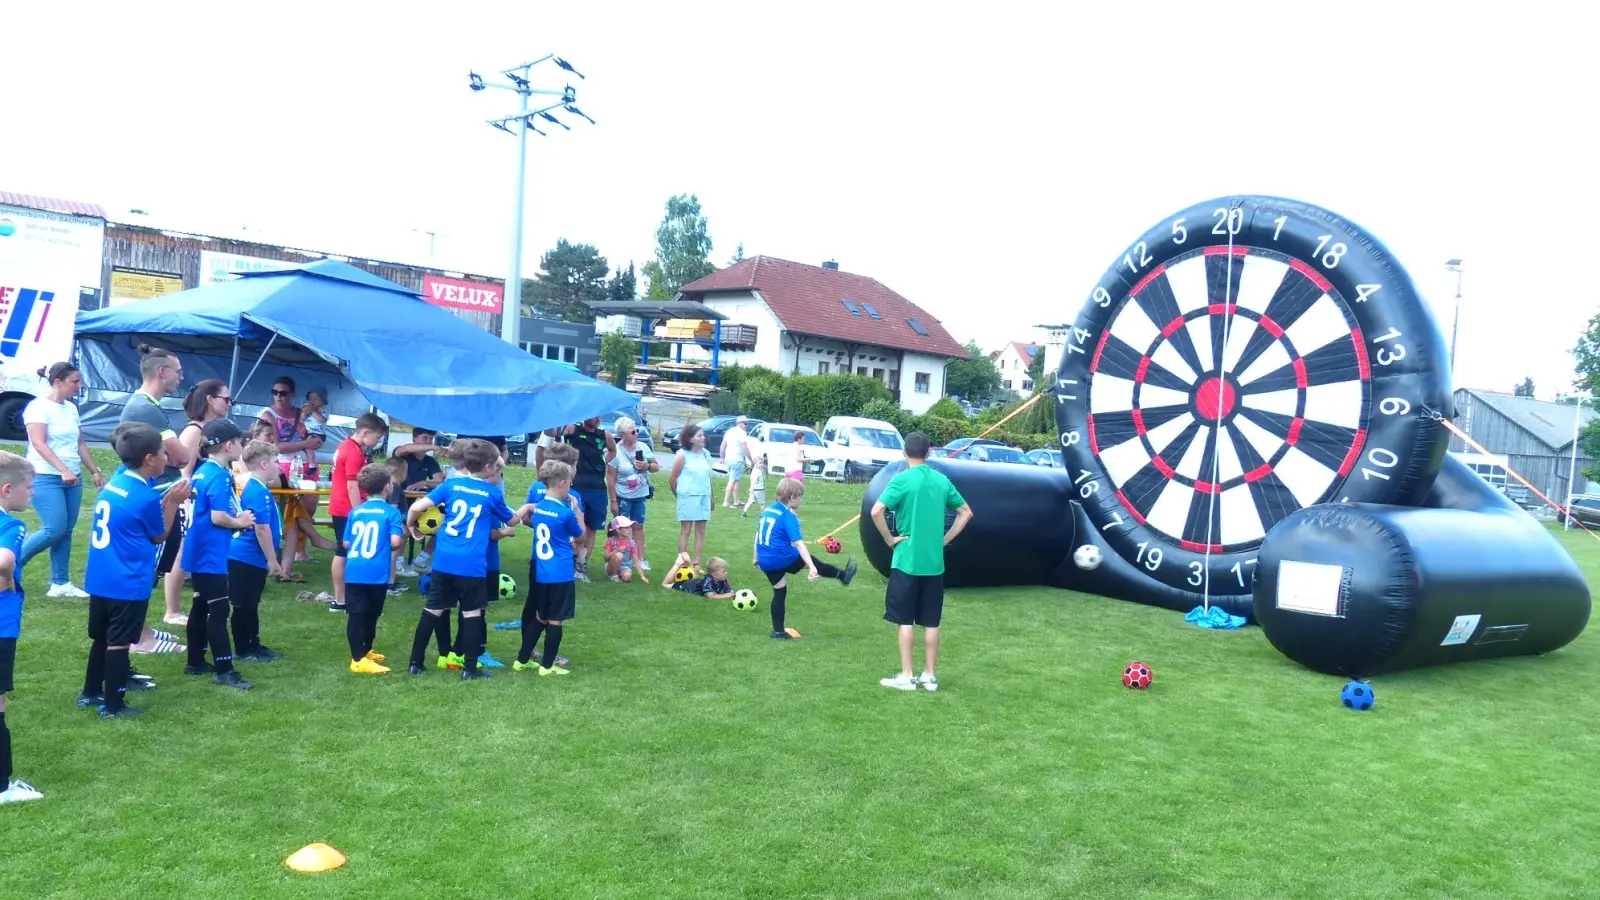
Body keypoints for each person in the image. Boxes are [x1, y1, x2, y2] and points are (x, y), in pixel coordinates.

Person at [81, 423, 191, 718]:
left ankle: (90, 693)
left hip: (101, 576)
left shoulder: (117, 480)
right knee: (119, 643)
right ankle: (114, 706)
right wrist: (173, 502)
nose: (167, 457)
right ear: (149, 459)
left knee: (101, 637)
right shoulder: (144, 498)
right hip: (127, 580)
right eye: (162, 453)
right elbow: (159, 535)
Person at [404, 438, 520, 679]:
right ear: (489, 467)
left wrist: (411, 526)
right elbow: (511, 520)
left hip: (444, 561)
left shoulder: (451, 485)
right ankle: (469, 669)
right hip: (471, 563)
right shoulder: (491, 492)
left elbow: (417, 508)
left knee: (432, 610)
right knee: (472, 614)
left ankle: (415, 663)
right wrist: (526, 510)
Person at [869, 432, 974, 692]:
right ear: (929, 453)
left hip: (906, 561)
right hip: (933, 564)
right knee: (931, 621)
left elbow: (876, 510)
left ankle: (907, 676)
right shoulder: (941, 481)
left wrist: (890, 539)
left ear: (904, 453)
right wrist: (944, 539)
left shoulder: (901, 479)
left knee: (905, 620)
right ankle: (929, 676)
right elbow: (966, 512)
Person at [118, 346, 191, 653]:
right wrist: (172, 458)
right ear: (162, 372)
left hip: (157, 492)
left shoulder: (146, 405)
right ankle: (138, 637)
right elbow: (182, 455)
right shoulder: (146, 408)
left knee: (151, 566)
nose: (181, 376)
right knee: (145, 567)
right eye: (178, 371)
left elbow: (174, 456)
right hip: (156, 495)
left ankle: (141, 629)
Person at [182, 419, 256, 690]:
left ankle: (195, 661)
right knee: (218, 609)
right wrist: (242, 522)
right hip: (211, 551)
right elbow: (218, 516)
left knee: (200, 605)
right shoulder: (221, 475)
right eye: (240, 442)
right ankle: (224, 669)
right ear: (229, 445)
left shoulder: (201, 471)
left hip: (198, 548)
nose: (242, 446)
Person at [21, 362, 104, 598]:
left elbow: (80, 443)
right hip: (45, 475)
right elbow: (39, 443)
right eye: (74, 382)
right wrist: (63, 469)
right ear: (58, 382)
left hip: (73, 476)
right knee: (54, 528)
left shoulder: (70, 409)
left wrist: (94, 470)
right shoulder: (37, 408)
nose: (79, 386)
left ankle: (60, 583)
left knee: (66, 530)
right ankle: (9, 565)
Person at [160, 378, 233, 628]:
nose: (229, 404)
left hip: (203, 499)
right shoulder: (194, 430)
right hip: (190, 499)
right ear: (210, 400)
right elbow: (184, 470)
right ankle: (172, 610)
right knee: (181, 551)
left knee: (193, 551)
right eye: (225, 398)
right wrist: (186, 502)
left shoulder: (217, 429)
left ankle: (193, 602)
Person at [755, 477, 857, 640]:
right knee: (813, 561)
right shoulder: (788, 517)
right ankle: (843, 576)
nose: (802, 499)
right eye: (801, 496)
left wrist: (756, 557)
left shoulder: (767, 510)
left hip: (766, 560)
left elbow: (758, 535)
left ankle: (778, 632)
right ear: (791, 497)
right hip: (782, 557)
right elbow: (800, 545)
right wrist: (811, 567)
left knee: (779, 591)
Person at [515, 459, 584, 676]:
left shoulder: (541, 507)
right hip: (560, 572)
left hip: (542, 572)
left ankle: (522, 659)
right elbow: (581, 535)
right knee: (555, 620)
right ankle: (547, 666)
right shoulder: (565, 512)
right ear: (563, 483)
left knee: (540, 616)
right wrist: (577, 509)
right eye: (570, 483)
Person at [0, 451, 39, 803]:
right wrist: (8, 577)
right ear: (7, 489)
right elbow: (6, 559)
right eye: (29, 488)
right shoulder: (11, 525)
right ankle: (2, 787)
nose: (33, 494)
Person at [343, 464, 405, 675]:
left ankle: (365, 651)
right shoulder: (391, 512)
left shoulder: (356, 511)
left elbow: (346, 544)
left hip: (354, 570)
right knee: (370, 614)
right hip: (376, 571)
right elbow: (396, 541)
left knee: (357, 614)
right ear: (387, 486)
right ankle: (358, 659)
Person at [228, 440, 283, 666]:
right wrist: (273, 560)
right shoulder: (257, 491)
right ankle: (243, 648)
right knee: (243, 604)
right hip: (246, 556)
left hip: (251, 557)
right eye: (275, 462)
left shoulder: (259, 488)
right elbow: (261, 528)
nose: (279, 466)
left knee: (252, 602)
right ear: (263, 464)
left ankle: (254, 643)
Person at [327, 414, 389, 613]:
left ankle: (345, 596)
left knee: (345, 551)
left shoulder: (348, 447)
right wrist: (358, 512)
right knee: (343, 551)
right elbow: (352, 485)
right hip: (346, 507)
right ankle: (340, 598)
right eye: (377, 438)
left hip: (342, 505)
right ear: (365, 432)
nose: (377, 442)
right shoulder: (352, 451)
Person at [606, 416, 657, 573]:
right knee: (622, 529)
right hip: (623, 497)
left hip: (640, 495)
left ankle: (641, 559)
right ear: (622, 435)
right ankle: (619, 560)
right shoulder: (615, 451)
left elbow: (656, 466)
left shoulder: (642, 447)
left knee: (638, 527)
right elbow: (611, 478)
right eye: (633, 432)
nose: (637, 434)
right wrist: (613, 500)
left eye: (637, 430)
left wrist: (647, 465)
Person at [566, 418, 615, 583]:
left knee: (592, 529)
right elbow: (553, 432)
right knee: (575, 527)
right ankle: (570, 561)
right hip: (577, 487)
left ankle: (582, 565)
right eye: (594, 415)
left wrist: (604, 461)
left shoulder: (605, 435)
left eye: (600, 416)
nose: (597, 419)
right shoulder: (574, 430)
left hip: (598, 489)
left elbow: (612, 450)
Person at [391, 427, 444, 574]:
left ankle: (421, 560)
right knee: (403, 530)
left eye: (431, 439)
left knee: (443, 524)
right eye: (425, 438)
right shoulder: (402, 456)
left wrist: (424, 484)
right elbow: (404, 449)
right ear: (414, 438)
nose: (429, 442)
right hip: (399, 502)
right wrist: (433, 447)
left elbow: (440, 482)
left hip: (421, 504)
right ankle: (399, 563)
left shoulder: (430, 461)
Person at [669, 424, 715, 575]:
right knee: (686, 529)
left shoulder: (706, 454)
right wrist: (679, 495)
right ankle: (682, 562)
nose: (703, 438)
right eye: (699, 435)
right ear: (690, 438)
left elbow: (708, 477)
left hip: (704, 496)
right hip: (687, 496)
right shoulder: (682, 454)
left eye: (703, 435)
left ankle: (696, 563)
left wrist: (711, 496)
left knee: (701, 531)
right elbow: (673, 477)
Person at [660, 553, 732, 600]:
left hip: (696, 582)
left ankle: (688, 563)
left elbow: (730, 591)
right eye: (724, 571)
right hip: (687, 586)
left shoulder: (723, 580)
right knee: (665, 584)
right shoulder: (708, 582)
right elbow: (710, 596)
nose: (726, 573)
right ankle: (677, 564)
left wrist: (734, 594)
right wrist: (727, 596)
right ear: (715, 575)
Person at [603, 517, 648, 584]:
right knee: (619, 555)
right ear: (618, 530)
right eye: (626, 528)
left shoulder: (631, 543)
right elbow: (605, 557)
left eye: (630, 527)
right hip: (611, 566)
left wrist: (642, 576)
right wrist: (616, 550)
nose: (630, 530)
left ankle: (620, 574)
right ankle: (614, 575)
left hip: (625, 566)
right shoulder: (611, 541)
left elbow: (636, 560)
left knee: (627, 577)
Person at [721, 415, 752, 509]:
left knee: (737, 480)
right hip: (737, 459)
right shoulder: (742, 433)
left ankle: (736, 501)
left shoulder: (729, 431)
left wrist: (722, 457)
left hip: (729, 458)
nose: (746, 425)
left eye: (747, 423)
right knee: (732, 480)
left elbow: (723, 445)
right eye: (744, 423)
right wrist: (751, 459)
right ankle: (726, 502)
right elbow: (745, 448)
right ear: (739, 423)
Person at [742, 443, 768, 519]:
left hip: (754, 489)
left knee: (750, 501)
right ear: (755, 463)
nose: (762, 465)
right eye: (760, 463)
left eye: (762, 463)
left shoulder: (754, 471)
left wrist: (751, 489)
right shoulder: (758, 472)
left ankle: (744, 512)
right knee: (762, 503)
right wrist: (751, 488)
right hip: (759, 489)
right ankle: (762, 515)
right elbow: (754, 480)